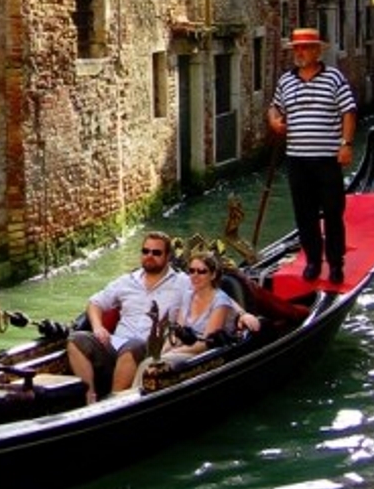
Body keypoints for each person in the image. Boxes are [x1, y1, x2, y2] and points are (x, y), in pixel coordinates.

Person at [66, 232, 257, 403]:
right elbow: (95, 303)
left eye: (156, 253)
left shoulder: (184, 282)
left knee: (132, 346)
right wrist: (98, 327)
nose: (149, 256)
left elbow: (218, 297)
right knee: (76, 340)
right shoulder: (126, 281)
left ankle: (113, 402)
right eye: (145, 251)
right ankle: (89, 397)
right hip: (113, 342)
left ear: (167, 257)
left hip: (147, 346)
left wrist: (243, 313)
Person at [267, 28, 357, 285]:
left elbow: (348, 111)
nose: (300, 52)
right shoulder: (286, 81)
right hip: (297, 159)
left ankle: (336, 264)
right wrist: (274, 120)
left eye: (305, 48)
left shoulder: (334, 78)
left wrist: (346, 144)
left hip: (327, 159)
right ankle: (314, 262)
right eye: (296, 48)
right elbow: (275, 107)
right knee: (304, 215)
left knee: (332, 212)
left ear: (317, 51)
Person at [130, 252, 257, 389]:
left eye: (201, 271)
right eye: (191, 271)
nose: (195, 276)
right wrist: (163, 352)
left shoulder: (220, 302)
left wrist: (173, 353)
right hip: (184, 348)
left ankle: (138, 395)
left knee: (155, 368)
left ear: (212, 275)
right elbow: (177, 332)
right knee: (149, 362)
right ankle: (130, 395)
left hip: (203, 354)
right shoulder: (188, 295)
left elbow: (206, 344)